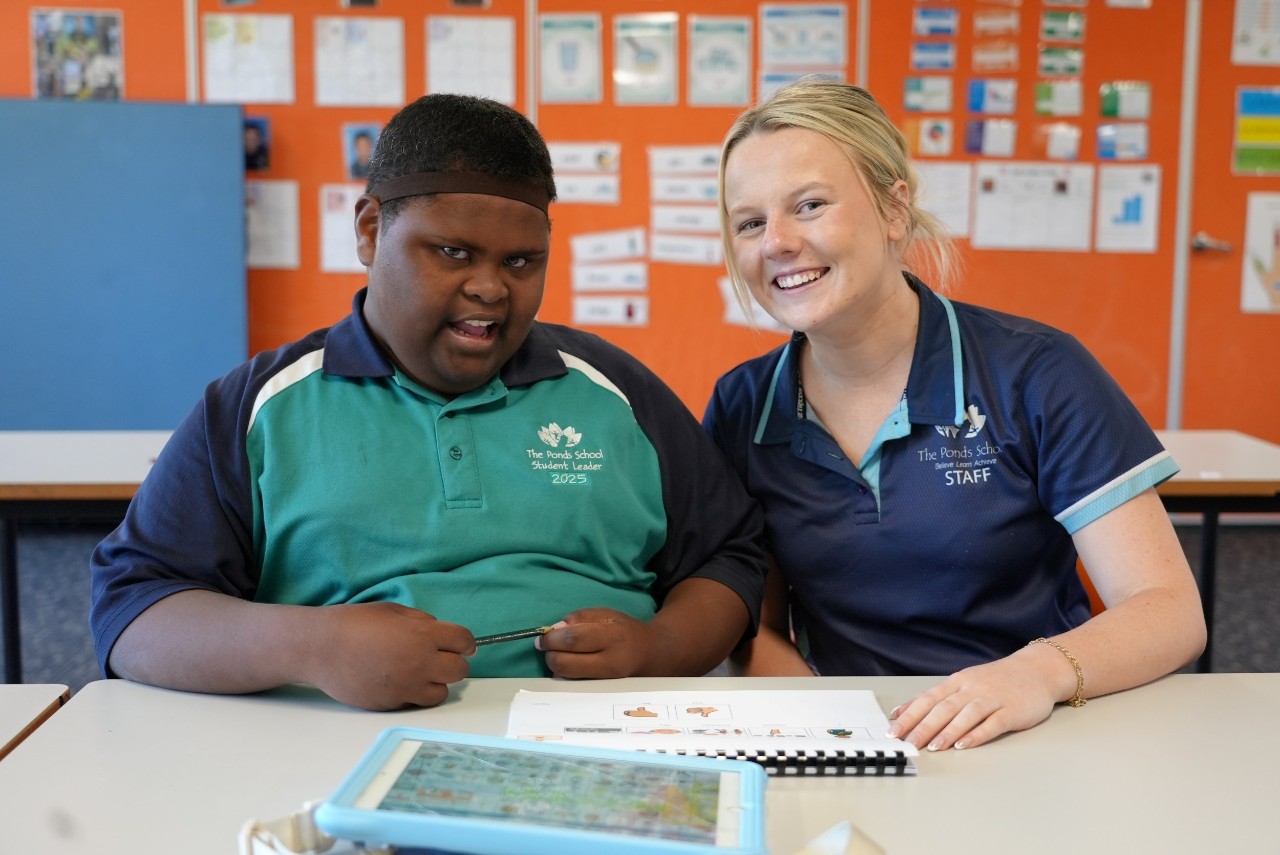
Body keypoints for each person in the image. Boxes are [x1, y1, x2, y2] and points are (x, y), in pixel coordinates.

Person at [91, 93, 766, 711]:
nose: (490, 288)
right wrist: (313, 645)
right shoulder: (261, 406)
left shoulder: (613, 389)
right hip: (334, 747)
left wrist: (661, 649)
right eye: (452, 251)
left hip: (605, 739)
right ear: (368, 230)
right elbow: (133, 609)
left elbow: (729, 554)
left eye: (521, 262)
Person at [704, 79, 1206, 751]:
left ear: (892, 208)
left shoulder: (1037, 371)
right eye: (750, 222)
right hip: (858, 739)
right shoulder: (742, 406)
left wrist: (1034, 674)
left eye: (811, 205)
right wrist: (839, 732)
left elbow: (1169, 609)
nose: (778, 242)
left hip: (1037, 724)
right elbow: (752, 628)